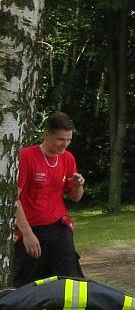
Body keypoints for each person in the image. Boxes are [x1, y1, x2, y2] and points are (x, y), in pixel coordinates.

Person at [13, 112, 86, 287]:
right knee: (29, 283)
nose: (65, 144)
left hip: (59, 225)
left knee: (71, 281)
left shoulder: (67, 158)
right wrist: (27, 234)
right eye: (61, 139)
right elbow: (13, 200)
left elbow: (76, 198)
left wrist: (78, 185)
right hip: (31, 229)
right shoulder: (26, 156)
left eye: (69, 140)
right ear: (47, 134)